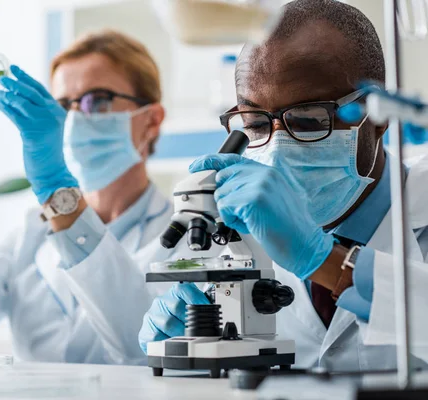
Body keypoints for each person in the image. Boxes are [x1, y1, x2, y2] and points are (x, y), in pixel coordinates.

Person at [138, 0, 428, 370]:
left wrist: (324, 261)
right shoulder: (242, 237)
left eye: (308, 120)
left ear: (376, 118)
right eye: (255, 123)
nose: (276, 148)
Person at [0, 30, 170, 365]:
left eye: (96, 100)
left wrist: (56, 186)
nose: (73, 120)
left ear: (152, 120)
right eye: (62, 105)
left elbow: (142, 347)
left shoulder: (189, 237)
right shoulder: (30, 236)